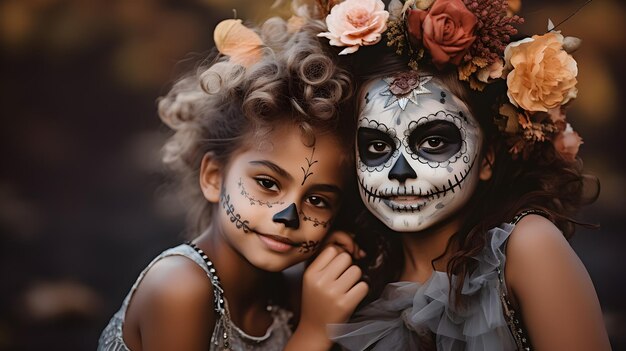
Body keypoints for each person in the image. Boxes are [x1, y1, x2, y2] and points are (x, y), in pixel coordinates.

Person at [314, 0, 612, 349]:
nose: (399, 171)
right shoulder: (354, 271)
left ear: (488, 156)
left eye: (434, 141)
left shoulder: (527, 248)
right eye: (377, 147)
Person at [98, 12, 369, 351]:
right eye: (268, 183)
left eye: (318, 201)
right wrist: (314, 332)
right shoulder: (178, 288)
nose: (289, 217)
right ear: (213, 177)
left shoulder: (283, 291)